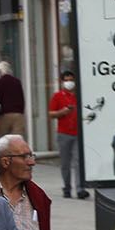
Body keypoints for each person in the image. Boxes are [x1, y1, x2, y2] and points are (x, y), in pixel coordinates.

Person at [0, 136, 52, 230]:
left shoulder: (38, 196)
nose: (32, 162)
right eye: (25, 157)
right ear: (5, 162)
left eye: (31, 156)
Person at [48, 70, 86, 198]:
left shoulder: (78, 95)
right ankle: (67, 187)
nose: (69, 82)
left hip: (77, 133)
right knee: (65, 163)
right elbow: (51, 113)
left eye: (71, 80)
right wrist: (62, 112)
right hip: (63, 133)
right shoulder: (58, 96)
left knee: (78, 161)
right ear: (62, 81)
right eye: (66, 80)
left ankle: (80, 188)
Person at [0, 60, 26, 139]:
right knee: (17, 138)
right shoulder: (17, 81)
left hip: (5, 114)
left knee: (4, 139)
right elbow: (21, 97)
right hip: (18, 113)